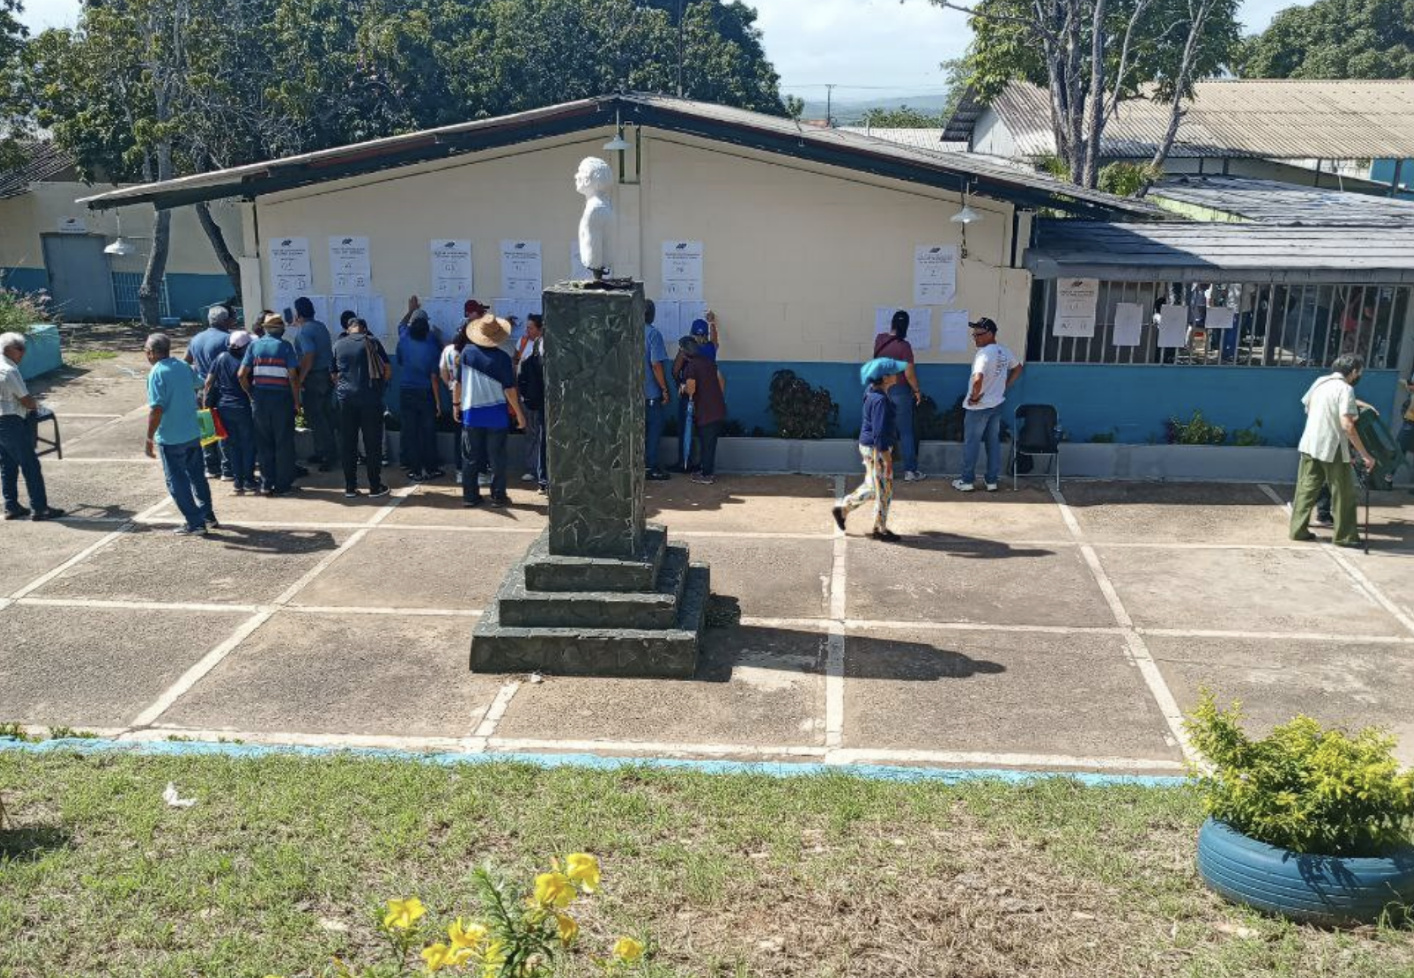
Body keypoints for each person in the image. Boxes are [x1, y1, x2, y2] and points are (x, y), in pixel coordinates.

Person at [1291, 354, 1376, 548]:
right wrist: (1365, 455)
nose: (1359, 375)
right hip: (1333, 446)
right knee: (1343, 493)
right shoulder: (1346, 389)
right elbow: (1347, 425)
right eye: (1359, 372)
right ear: (1354, 372)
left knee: (1306, 488)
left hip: (1310, 443)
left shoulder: (1320, 382)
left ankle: (1297, 530)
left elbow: (1308, 406)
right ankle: (1345, 537)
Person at [145, 332, 217, 536]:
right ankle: (207, 515)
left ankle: (195, 523)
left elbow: (156, 409)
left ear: (151, 353)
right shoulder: (183, 366)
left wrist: (149, 437)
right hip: (192, 433)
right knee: (197, 476)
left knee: (176, 481)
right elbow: (200, 383)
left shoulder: (157, 373)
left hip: (171, 437)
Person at [454, 314, 526, 507]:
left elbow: (458, 383)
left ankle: (470, 497)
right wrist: (519, 414)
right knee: (497, 458)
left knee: (470, 458)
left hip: (471, 414)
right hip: (496, 416)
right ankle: (498, 496)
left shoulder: (466, 353)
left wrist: (455, 405)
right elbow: (509, 390)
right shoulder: (503, 358)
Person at [833, 358, 907, 542]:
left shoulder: (873, 392)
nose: (897, 375)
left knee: (876, 487)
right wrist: (888, 459)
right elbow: (880, 433)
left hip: (871, 446)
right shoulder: (880, 400)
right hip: (877, 449)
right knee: (883, 488)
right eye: (894, 372)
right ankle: (878, 529)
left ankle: (846, 511)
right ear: (885, 377)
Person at [953, 317, 1022, 493]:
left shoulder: (983, 354)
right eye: (973, 334)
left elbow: (978, 378)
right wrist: (1005, 385)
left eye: (979, 334)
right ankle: (991, 481)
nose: (975, 338)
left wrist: (975, 398)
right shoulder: (1004, 351)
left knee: (972, 444)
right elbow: (1018, 368)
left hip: (978, 408)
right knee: (993, 443)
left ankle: (967, 480)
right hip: (996, 404)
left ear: (990, 333)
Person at [0, 332, 63, 522]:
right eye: (20, 349)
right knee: (30, 465)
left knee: (8, 464)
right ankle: (39, 508)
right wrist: (37, 407)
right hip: (11, 420)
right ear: (9, 349)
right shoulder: (9, 370)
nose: (23, 353)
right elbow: (26, 400)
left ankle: (11, 506)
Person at [239, 311, 302, 496]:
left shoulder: (254, 346)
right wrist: (297, 402)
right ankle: (283, 485)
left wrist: (251, 393)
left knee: (264, 442)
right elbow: (293, 377)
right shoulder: (285, 347)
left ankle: (266, 483)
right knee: (283, 442)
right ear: (280, 329)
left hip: (260, 398)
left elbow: (241, 374)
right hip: (281, 399)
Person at [332, 317, 392, 499]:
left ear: (348, 329)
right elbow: (387, 368)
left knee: (348, 444)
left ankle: (350, 487)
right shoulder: (372, 341)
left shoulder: (338, 345)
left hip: (345, 400)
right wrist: (381, 387)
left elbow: (333, 374)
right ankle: (375, 486)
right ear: (364, 329)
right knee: (372, 443)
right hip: (370, 399)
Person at [874, 310, 925, 481]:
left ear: (892, 323)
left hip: (881, 390)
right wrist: (917, 391)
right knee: (905, 432)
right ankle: (910, 471)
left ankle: (881, 470)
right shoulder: (904, 346)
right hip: (899, 391)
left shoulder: (880, 339)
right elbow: (909, 373)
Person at [203, 330, 257, 493]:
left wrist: (207, 404)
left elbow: (208, 383)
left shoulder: (220, 358)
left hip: (224, 407)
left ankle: (237, 481)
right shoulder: (246, 361)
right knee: (247, 444)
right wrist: (251, 395)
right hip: (243, 407)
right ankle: (248, 480)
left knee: (232, 445)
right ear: (245, 346)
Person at [184, 305, 234, 479]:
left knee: (206, 428)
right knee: (224, 430)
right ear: (225, 320)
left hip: (201, 390)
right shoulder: (227, 339)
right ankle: (227, 468)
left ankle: (211, 467)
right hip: (221, 389)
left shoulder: (196, 338)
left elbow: (186, 361)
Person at [396, 306, 444, 483]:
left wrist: (410, 309)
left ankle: (415, 470)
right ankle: (431, 468)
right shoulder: (432, 347)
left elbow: (401, 325)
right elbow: (434, 378)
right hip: (426, 392)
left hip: (406, 390)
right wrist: (438, 402)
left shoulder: (404, 339)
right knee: (428, 430)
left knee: (411, 431)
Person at [292, 296, 337, 471]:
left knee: (316, 418)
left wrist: (300, 378)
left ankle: (328, 454)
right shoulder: (320, 326)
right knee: (325, 414)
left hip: (314, 377)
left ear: (298, 313)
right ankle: (322, 451)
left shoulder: (304, 332)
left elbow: (309, 356)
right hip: (326, 375)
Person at [678, 336, 727, 486]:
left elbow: (691, 389)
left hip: (705, 411)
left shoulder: (691, 366)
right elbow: (722, 382)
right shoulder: (709, 361)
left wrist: (682, 388)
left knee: (706, 443)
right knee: (709, 442)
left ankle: (707, 475)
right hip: (717, 408)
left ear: (684, 351)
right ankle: (705, 470)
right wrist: (715, 397)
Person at [517, 314, 547, 490]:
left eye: (530, 327)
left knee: (540, 436)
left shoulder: (542, 344)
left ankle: (541, 474)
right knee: (534, 434)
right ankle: (534, 470)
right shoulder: (525, 343)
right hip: (532, 398)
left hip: (537, 397)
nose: (527, 331)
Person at [644, 299, 671, 481]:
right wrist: (664, 388)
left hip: (629, 395)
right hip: (650, 393)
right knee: (653, 430)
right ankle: (650, 467)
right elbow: (655, 365)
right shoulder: (653, 334)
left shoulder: (626, 332)